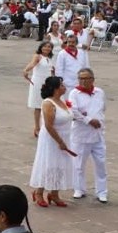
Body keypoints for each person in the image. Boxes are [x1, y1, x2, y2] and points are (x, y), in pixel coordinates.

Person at [29, 76, 74, 208]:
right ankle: (39, 192)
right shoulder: (48, 103)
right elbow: (49, 125)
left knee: (60, 164)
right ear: (55, 88)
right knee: (47, 163)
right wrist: (60, 141)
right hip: (51, 138)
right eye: (61, 85)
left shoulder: (63, 101)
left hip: (65, 135)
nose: (64, 87)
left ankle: (54, 193)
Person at [68, 68, 107, 203]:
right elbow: (73, 110)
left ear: (92, 79)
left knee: (100, 163)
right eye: (81, 79)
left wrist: (98, 120)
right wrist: (88, 120)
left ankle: (102, 191)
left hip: (98, 134)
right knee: (78, 163)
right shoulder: (75, 93)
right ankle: (79, 188)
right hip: (81, 134)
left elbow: (103, 108)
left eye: (87, 78)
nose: (84, 81)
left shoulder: (99, 92)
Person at [22, 42, 54, 138]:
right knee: (38, 106)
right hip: (38, 82)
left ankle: (46, 126)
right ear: (41, 47)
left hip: (47, 83)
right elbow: (32, 64)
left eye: (49, 47)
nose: (47, 48)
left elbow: (51, 71)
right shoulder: (38, 56)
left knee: (48, 105)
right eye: (45, 46)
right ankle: (37, 128)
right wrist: (26, 70)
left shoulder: (49, 59)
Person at [54, 32, 83, 96]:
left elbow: (85, 66)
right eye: (69, 42)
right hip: (67, 83)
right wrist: (60, 82)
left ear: (76, 43)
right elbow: (59, 69)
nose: (71, 44)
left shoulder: (81, 53)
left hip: (79, 82)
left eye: (73, 42)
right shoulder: (62, 53)